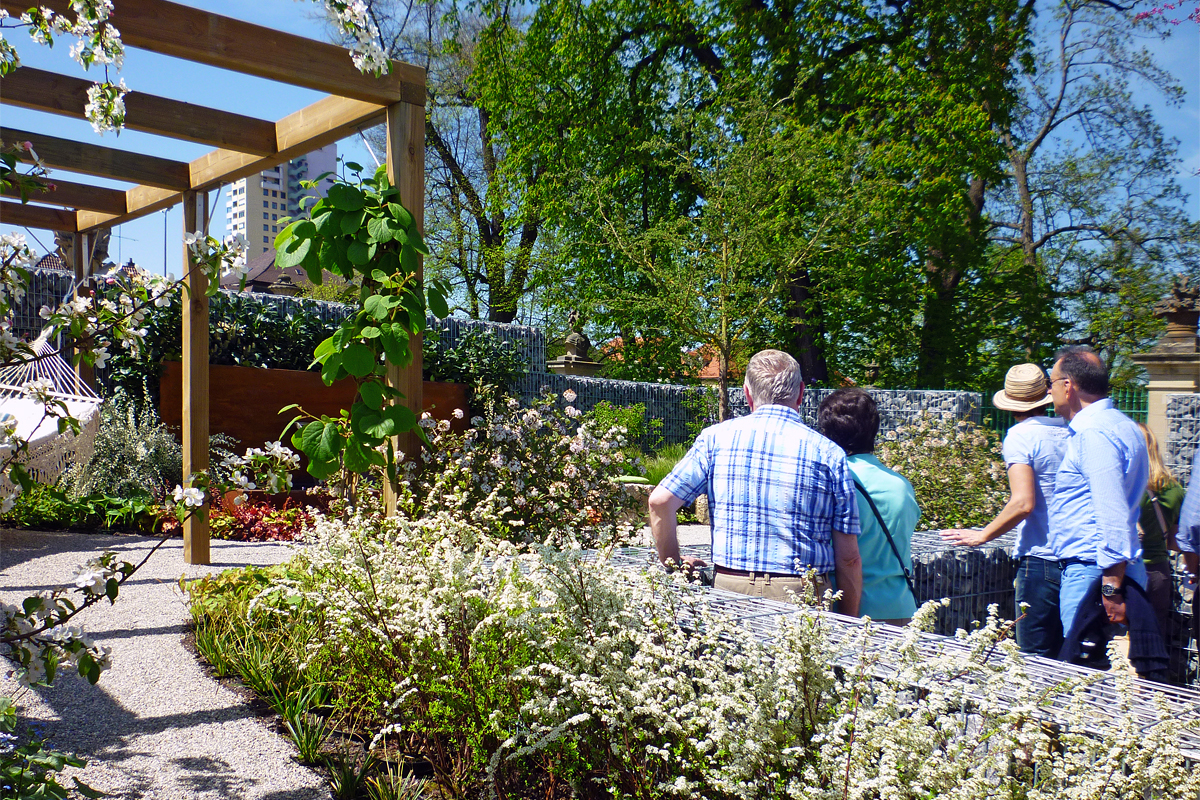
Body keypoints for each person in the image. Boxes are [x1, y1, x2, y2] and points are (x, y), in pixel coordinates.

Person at [648, 349, 863, 614]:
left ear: (747, 393)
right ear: (801, 393)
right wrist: (848, 627)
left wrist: (675, 566)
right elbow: (849, 558)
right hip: (802, 595)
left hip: (728, 590)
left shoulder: (714, 439)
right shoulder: (829, 453)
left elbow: (660, 501)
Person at [941, 363, 1069, 658]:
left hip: (1041, 559)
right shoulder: (1070, 431)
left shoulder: (1020, 436)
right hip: (1079, 558)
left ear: (1010, 403)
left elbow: (1023, 502)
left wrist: (983, 535)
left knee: (1036, 659)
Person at [1046, 346, 1150, 636]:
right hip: (1112, 568)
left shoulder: (1094, 433)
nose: (1049, 391)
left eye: (1051, 383)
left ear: (1068, 386)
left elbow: (1111, 509)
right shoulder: (1124, 425)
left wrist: (1111, 587)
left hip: (1097, 573)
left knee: (1087, 674)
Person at [818, 388, 919, 625]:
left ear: (827, 433)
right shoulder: (902, 486)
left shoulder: (833, 482)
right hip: (901, 606)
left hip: (846, 608)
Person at [1136, 422, 1184, 639]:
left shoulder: (1127, 489)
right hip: (1159, 574)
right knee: (1153, 643)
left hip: (1126, 571)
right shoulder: (1175, 489)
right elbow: (1174, 541)